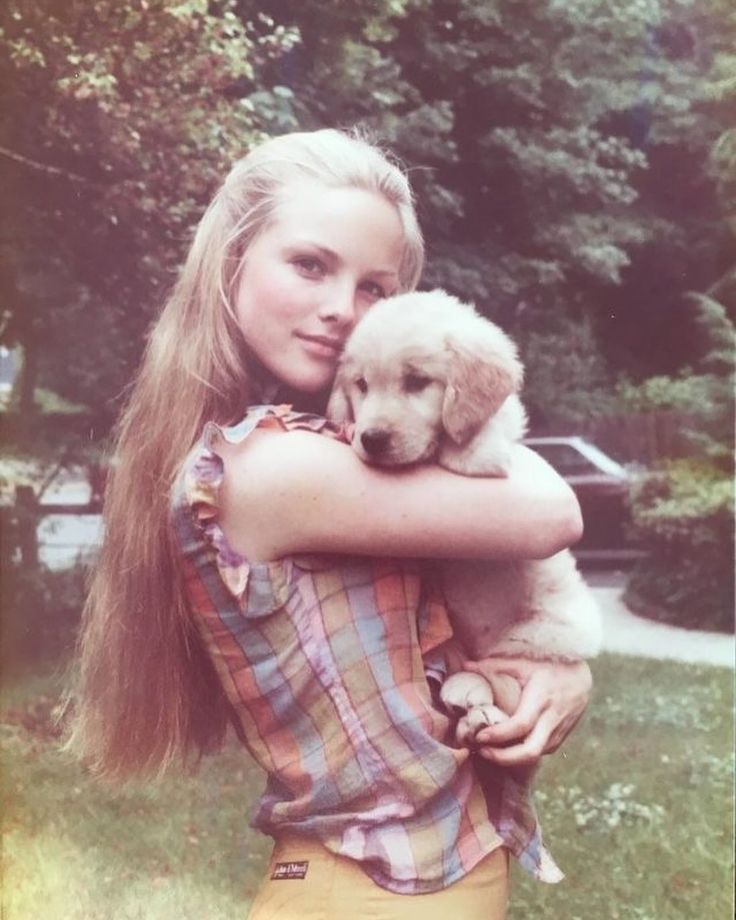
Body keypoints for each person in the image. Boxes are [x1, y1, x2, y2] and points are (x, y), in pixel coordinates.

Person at [67, 128, 593, 919]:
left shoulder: (323, 449)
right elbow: (550, 509)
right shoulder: (267, 470)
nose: (342, 310)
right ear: (230, 264)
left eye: (376, 288)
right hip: (375, 890)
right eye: (310, 265)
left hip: (401, 879)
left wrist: (558, 669)